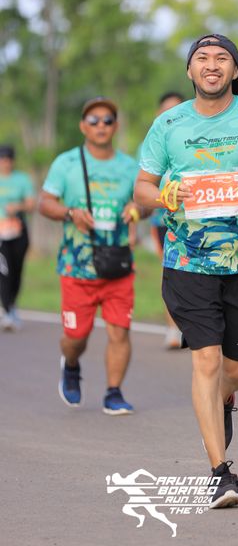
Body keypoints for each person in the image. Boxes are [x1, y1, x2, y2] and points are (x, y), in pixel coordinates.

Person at [134, 33, 238, 508]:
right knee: (205, 360)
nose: (212, 65)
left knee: (236, 370)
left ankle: (226, 398)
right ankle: (220, 473)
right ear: (190, 71)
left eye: (222, 58)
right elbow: (142, 188)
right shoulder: (169, 124)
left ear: (234, 70)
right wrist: (166, 195)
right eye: (202, 58)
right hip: (188, 258)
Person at [39, 97, 147, 415]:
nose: (101, 125)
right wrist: (70, 213)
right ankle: (71, 363)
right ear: (83, 126)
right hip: (77, 266)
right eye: (94, 120)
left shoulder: (129, 166)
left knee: (119, 331)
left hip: (118, 263)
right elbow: (45, 203)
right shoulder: (66, 163)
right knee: (76, 336)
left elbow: (146, 202)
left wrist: (137, 209)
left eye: (108, 120)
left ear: (116, 126)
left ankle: (114, 392)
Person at [149, 91, 185, 350]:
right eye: (166, 110)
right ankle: (173, 328)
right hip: (163, 222)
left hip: (195, 220)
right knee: (171, 274)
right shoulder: (152, 143)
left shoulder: (197, 139)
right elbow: (141, 186)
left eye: (177, 109)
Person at [0, 145, 35, 331]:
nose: (5, 162)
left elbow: (31, 204)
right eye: (2, 159)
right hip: (0, 234)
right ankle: (7, 311)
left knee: (16, 270)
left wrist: (17, 207)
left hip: (18, 231)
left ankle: (12, 305)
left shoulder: (22, 179)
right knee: (4, 271)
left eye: (8, 159)